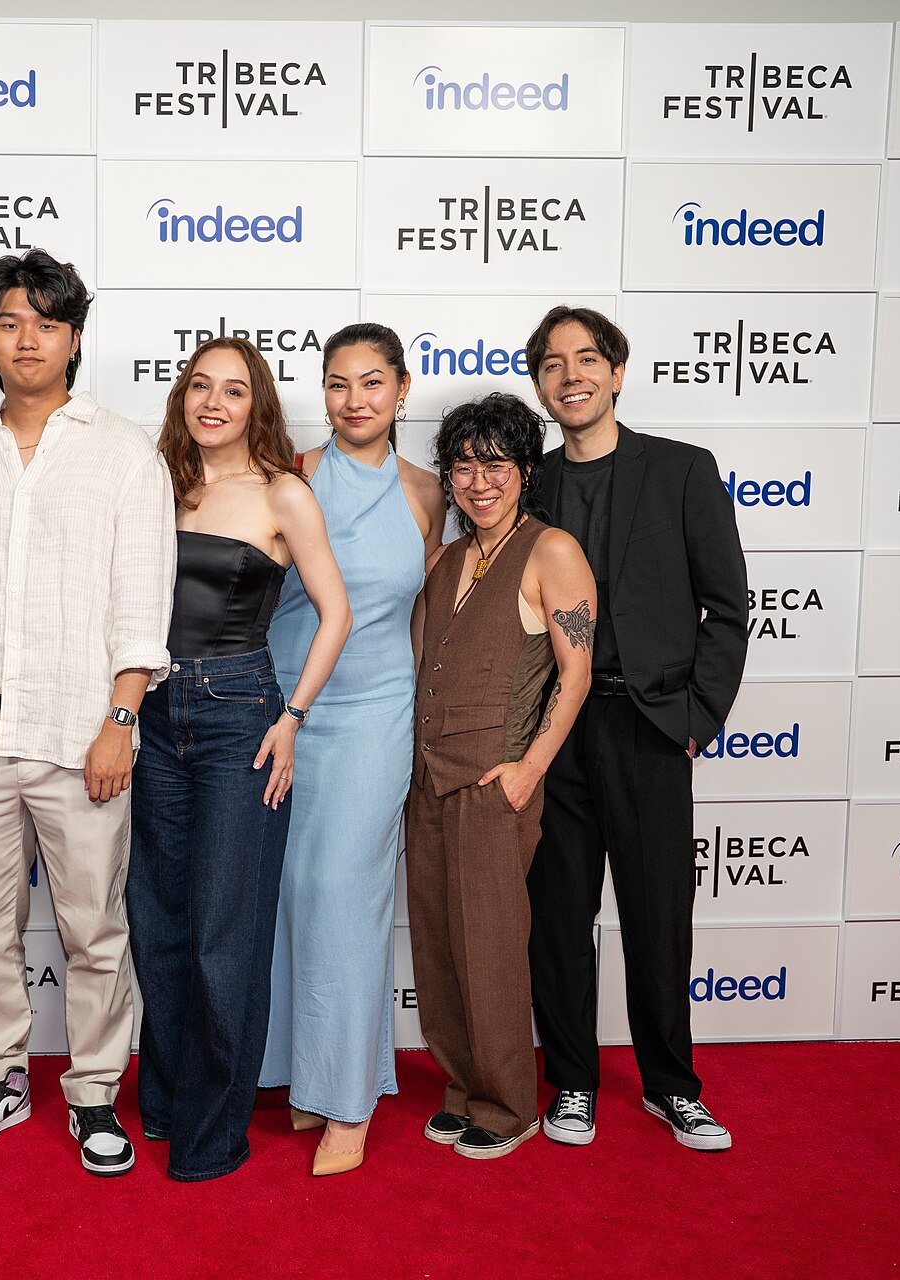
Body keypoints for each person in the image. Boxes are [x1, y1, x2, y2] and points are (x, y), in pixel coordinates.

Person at [0, 248, 175, 1178]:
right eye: (9, 322)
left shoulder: (124, 453)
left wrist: (121, 719)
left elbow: (142, 604)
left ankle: (97, 1091)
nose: (27, 339)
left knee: (94, 931)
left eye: (47, 323)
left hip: (82, 736)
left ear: (74, 338)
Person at [522, 305, 749, 1152]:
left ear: (617, 372)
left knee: (659, 916)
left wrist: (698, 719)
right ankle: (573, 1081)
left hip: (652, 727)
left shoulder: (684, 472)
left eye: (587, 359)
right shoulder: (530, 484)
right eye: (552, 363)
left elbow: (727, 608)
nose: (571, 375)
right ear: (541, 385)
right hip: (555, 733)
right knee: (558, 916)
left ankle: (672, 1086)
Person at [128, 337, 350, 1182]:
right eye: (199, 386)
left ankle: (213, 1134)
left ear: (257, 405)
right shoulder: (155, 483)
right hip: (151, 716)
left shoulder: (285, 494)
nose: (212, 402)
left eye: (233, 390)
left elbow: (335, 615)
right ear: (182, 397)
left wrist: (293, 716)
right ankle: (168, 1100)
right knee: (158, 923)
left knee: (227, 934)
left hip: (240, 722)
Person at [260, 323, 445, 1176]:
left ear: (402, 390)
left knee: (344, 890)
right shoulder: (289, 476)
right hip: (284, 711)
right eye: (339, 384)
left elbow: (428, 616)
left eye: (373, 383)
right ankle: (306, 1074)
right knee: (293, 889)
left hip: (377, 711)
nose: (356, 400)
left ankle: (347, 1102)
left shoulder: (427, 492)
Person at [407, 392, 595, 1160]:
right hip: (427, 780)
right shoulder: (450, 556)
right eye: (462, 465)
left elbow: (575, 673)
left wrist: (529, 769)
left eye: (495, 464)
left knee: (489, 949)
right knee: (440, 950)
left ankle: (509, 1101)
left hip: (496, 783)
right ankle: (462, 1088)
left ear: (524, 469)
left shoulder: (550, 550)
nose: (478, 481)